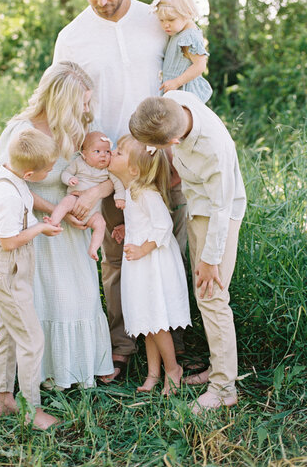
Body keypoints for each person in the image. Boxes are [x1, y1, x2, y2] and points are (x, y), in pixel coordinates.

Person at [53, 0, 188, 380]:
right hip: (109, 166)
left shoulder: (157, 20)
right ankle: (122, 344)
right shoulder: (72, 37)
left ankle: (177, 345)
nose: (103, 1)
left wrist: (180, 143)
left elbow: (187, 76)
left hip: (165, 159)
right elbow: (65, 106)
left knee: (170, 247)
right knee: (117, 256)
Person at [0, 61, 114, 389]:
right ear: (62, 100)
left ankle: (84, 367)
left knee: (83, 296)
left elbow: (110, 174)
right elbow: (12, 186)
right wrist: (59, 211)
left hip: (73, 227)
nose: (87, 109)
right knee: (50, 299)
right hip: (39, 226)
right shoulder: (21, 131)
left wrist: (92, 196)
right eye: (83, 102)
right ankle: (48, 376)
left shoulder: (77, 128)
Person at [129, 91, 246, 413]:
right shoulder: (171, 102)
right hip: (197, 205)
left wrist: (210, 261)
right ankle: (220, 366)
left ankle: (224, 387)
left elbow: (222, 209)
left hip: (217, 213)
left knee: (212, 295)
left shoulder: (214, 151)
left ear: (175, 141)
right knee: (204, 295)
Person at [0, 129, 62, 430]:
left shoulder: (12, 175)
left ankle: (5, 400)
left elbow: (28, 197)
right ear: (29, 172)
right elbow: (9, 241)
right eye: (48, 170)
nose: (52, 171)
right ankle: (31, 411)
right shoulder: (5, 195)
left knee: (9, 332)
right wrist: (41, 228)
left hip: (9, 269)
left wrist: (54, 211)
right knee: (31, 338)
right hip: (7, 271)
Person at [108, 135, 191, 396]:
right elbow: (143, 222)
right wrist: (126, 227)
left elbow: (163, 226)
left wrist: (143, 247)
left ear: (133, 169)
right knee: (147, 322)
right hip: (141, 264)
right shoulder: (133, 191)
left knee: (157, 322)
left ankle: (173, 369)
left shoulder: (146, 193)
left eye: (119, 152)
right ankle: (153, 373)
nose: (112, 152)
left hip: (152, 265)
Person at [48, 131, 125, 260]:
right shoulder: (78, 163)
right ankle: (54, 221)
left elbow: (117, 183)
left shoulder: (107, 170)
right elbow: (65, 173)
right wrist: (69, 179)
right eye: (97, 151)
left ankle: (94, 248)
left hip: (93, 213)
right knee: (66, 201)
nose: (103, 155)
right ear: (84, 155)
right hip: (75, 200)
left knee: (101, 224)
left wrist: (120, 198)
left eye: (107, 152)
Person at [151, 0, 212, 102]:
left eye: (171, 19)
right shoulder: (177, 32)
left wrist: (177, 82)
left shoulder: (189, 37)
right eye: (161, 20)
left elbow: (200, 65)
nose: (165, 25)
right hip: (174, 90)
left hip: (184, 92)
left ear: (187, 13)